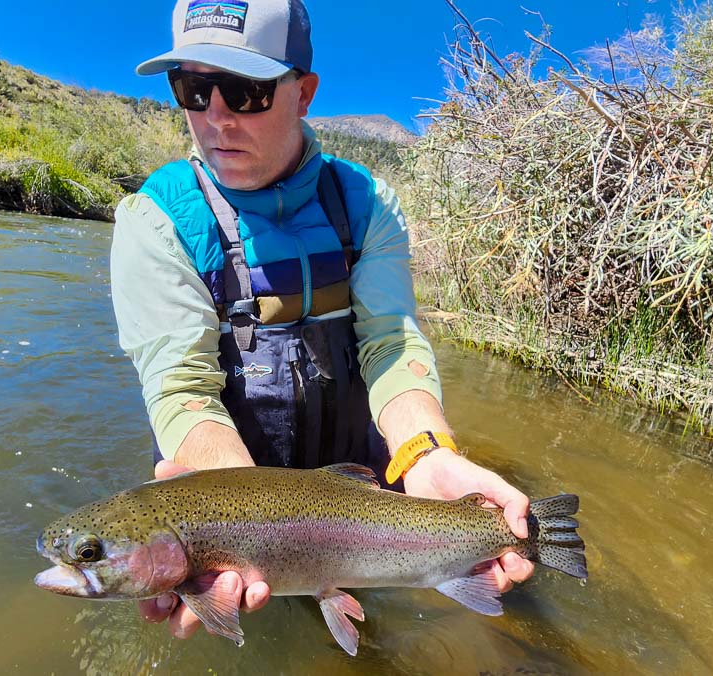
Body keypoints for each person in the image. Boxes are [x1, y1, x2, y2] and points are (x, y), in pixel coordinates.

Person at [110, 0, 536, 641]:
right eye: (193, 89)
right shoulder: (154, 222)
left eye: (246, 90)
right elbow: (180, 389)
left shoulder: (366, 206)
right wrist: (237, 519)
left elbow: (389, 343)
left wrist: (426, 454)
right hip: (227, 472)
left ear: (304, 92)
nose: (215, 116)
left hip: (356, 484)